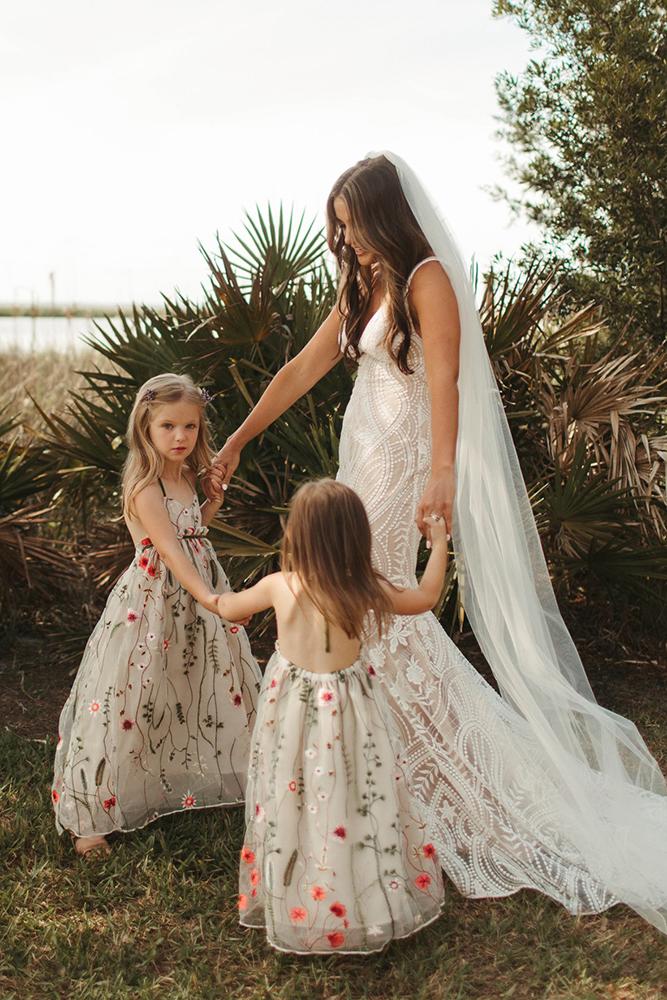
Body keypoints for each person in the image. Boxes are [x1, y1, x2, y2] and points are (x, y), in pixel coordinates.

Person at [205, 152, 667, 934]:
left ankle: (410, 777)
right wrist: (240, 439)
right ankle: (371, 767)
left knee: (378, 612)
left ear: (383, 213)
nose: (344, 241)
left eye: (351, 225)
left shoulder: (425, 278)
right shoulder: (364, 287)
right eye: (339, 228)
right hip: (360, 460)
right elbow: (302, 368)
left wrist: (442, 474)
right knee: (372, 614)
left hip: (406, 465)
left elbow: (446, 379)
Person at [216, 478, 449, 954]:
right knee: (351, 793)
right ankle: (361, 892)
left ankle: (300, 893)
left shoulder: (280, 586)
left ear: (296, 534)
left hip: (292, 715)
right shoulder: (363, 589)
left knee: (293, 793)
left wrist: (194, 582)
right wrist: (441, 543)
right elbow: (425, 598)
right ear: (354, 536)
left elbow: (226, 607)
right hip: (349, 711)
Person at [52, 373, 262, 857]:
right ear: (144, 428)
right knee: (132, 696)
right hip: (153, 603)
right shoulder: (145, 485)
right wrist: (215, 601)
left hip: (195, 592)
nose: (180, 437)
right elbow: (168, 551)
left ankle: (186, 777)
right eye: (167, 426)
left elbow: (193, 535)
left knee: (192, 684)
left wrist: (212, 505)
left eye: (189, 427)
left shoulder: (187, 477)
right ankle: (92, 818)